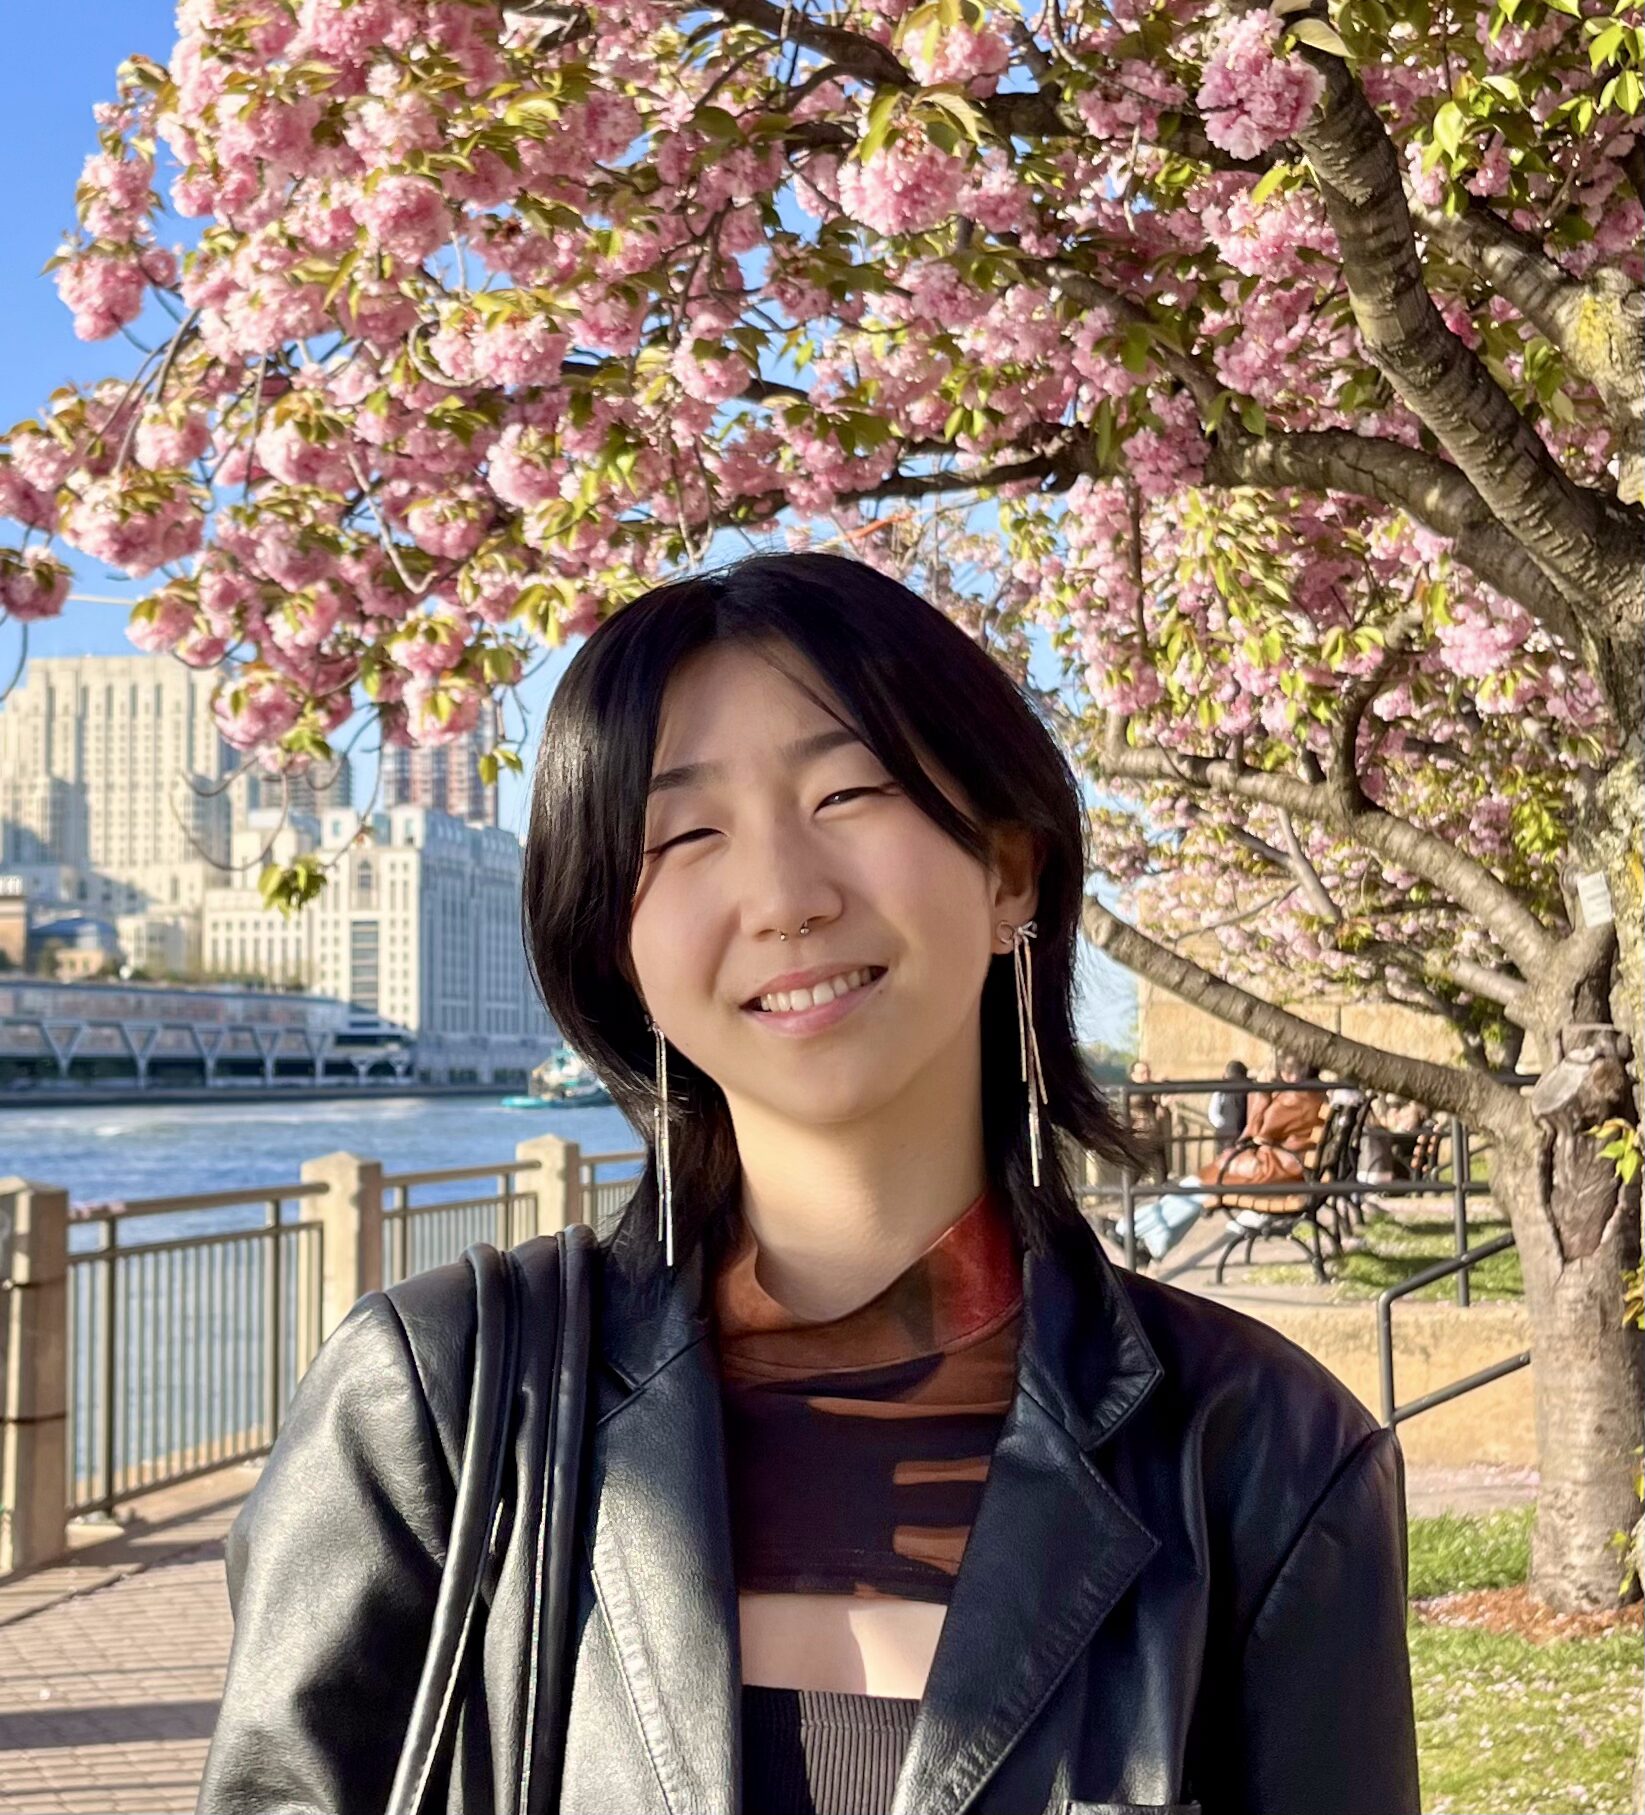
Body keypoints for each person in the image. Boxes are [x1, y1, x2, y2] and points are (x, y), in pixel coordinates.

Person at [196, 554, 1419, 1815]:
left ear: (1008, 868)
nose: (784, 897)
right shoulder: (440, 1407)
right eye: (683, 835)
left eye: (848, 793)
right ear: (617, 949)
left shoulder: (1261, 1455)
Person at [1117, 1050, 1330, 1264]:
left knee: (1198, 1186)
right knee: (1197, 1189)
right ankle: (1151, 1239)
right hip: (1283, 1168)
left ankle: (1128, 1229)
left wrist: (1263, 1093)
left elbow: (1259, 1131)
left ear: (1291, 1073)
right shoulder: (1312, 1094)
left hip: (1272, 1172)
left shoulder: (1295, 1096)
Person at [1124, 1057, 1174, 1181]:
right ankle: (1127, 1199)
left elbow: (1160, 1113)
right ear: (1133, 1075)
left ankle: (1162, 1198)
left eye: (1148, 1073)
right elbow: (1137, 1103)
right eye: (1142, 1073)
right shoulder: (1130, 1091)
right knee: (1132, 1176)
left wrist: (1162, 1104)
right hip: (1139, 1139)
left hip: (1154, 1137)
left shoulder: (1150, 1089)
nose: (1146, 1076)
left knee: (1161, 1175)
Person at [1207, 1058, 1250, 1154]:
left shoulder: (1222, 1088)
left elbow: (1213, 1114)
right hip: (1244, 1135)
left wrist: (1224, 1126)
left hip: (1227, 1135)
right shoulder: (1249, 1087)